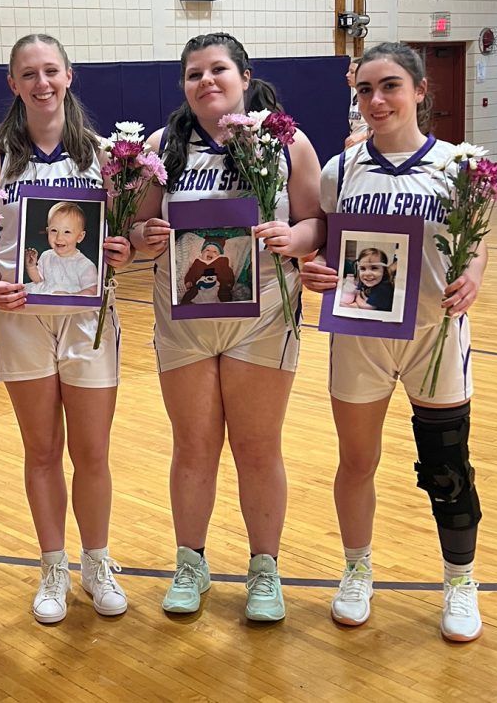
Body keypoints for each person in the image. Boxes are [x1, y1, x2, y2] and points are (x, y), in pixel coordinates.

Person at [130, 32, 325, 620]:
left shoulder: (285, 141)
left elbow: (316, 221)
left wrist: (296, 239)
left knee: (258, 448)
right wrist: (147, 237)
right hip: (185, 315)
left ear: (243, 75)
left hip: (262, 315)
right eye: (194, 74)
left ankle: (264, 570)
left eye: (218, 70)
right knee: (192, 447)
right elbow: (138, 235)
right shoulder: (165, 145)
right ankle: (190, 563)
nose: (206, 82)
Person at [301, 41, 488, 642]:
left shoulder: (459, 166)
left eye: (390, 87)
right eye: (365, 90)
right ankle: (357, 570)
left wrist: (476, 273)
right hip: (361, 337)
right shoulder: (341, 170)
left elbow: (477, 240)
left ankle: (460, 581)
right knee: (357, 461)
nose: (376, 100)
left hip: (435, 336)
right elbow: (327, 245)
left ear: (419, 92)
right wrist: (316, 271)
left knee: (447, 468)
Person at [0, 34, 133, 624]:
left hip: (88, 322)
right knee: (41, 451)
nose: (41, 83)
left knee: (92, 453)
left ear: (69, 75)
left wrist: (122, 248)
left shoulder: (105, 157)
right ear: (12, 83)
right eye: (28, 74)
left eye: (50, 71)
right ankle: (53, 566)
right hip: (21, 323)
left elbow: (129, 238)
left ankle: (96, 561)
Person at [24, 201, 99, 295]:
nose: (59, 237)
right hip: (47, 295)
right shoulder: (46, 255)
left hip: (71, 305)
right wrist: (31, 266)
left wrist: (69, 297)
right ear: (47, 231)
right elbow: (39, 280)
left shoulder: (85, 265)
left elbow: (92, 291)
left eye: (67, 232)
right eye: (54, 230)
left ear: (80, 236)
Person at [180, 238, 235, 304]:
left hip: (218, 288)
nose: (210, 252)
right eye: (207, 250)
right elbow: (191, 272)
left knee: (225, 296)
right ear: (202, 252)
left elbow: (228, 272)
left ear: (219, 254)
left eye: (215, 251)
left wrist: (228, 283)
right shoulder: (197, 262)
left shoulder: (222, 262)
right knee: (188, 298)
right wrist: (189, 281)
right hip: (199, 288)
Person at [339, 247, 394, 311]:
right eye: (363, 268)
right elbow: (358, 290)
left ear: (384, 270)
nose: (367, 273)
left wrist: (356, 299)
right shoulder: (365, 280)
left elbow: (368, 307)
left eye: (374, 268)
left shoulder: (384, 288)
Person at [346, 57, 371, 149]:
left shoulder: (371, 98)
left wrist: (361, 136)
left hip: (369, 147)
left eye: (352, 72)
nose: (347, 75)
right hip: (355, 147)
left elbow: (385, 128)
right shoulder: (356, 96)